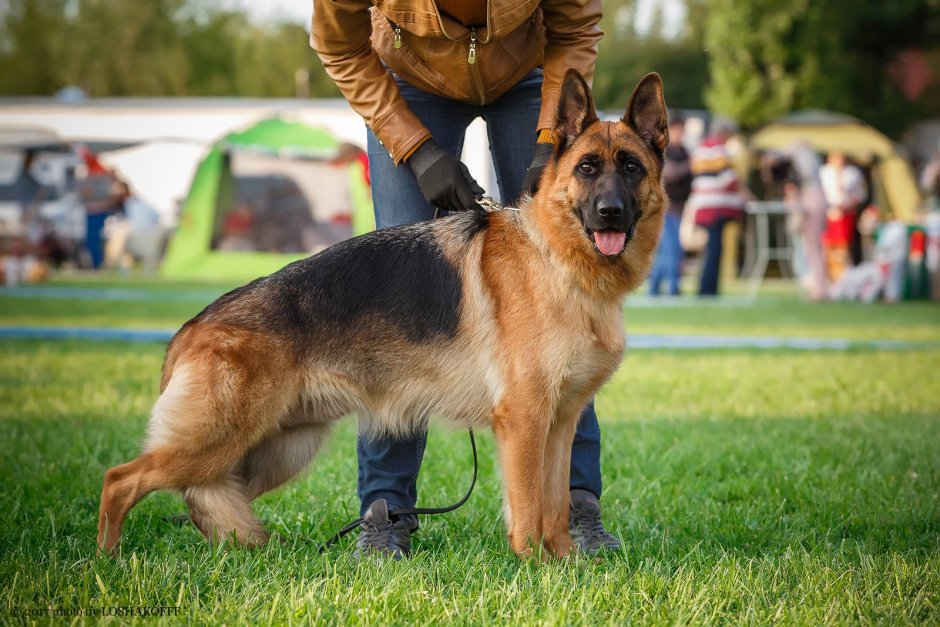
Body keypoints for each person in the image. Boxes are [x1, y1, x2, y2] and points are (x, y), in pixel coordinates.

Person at [311, 0, 621, 558]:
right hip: (408, 83)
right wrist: (417, 148)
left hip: (530, 74)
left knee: (565, 306)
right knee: (397, 295)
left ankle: (576, 509)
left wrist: (551, 141)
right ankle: (386, 510)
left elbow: (576, 28)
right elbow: (339, 45)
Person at [686, 118, 745, 296]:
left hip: (702, 205)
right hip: (717, 207)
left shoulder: (700, 150)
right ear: (724, 133)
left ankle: (705, 287)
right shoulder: (720, 151)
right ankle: (708, 289)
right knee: (714, 249)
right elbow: (730, 180)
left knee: (709, 248)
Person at [648, 115, 692, 296]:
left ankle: (654, 289)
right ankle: (673, 289)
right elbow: (670, 173)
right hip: (666, 209)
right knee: (672, 250)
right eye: (677, 129)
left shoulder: (684, 151)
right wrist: (691, 165)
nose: (680, 133)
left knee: (668, 251)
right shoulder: (663, 151)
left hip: (680, 209)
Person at [783, 143, 828, 301]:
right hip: (814, 202)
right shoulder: (813, 177)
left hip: (810, 203)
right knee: (812, 248)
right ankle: (817, 287)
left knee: (811, 248)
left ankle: (817, 288)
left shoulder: (805, 179)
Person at [819, 152, 866, 281]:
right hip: (828, 214)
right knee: (827, 245)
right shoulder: (824, 172)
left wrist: (849, 204)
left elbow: (860, 194)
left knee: (843, 245)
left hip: (846, 214)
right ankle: (826, 274)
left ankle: (843, 274)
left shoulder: (852, 173)